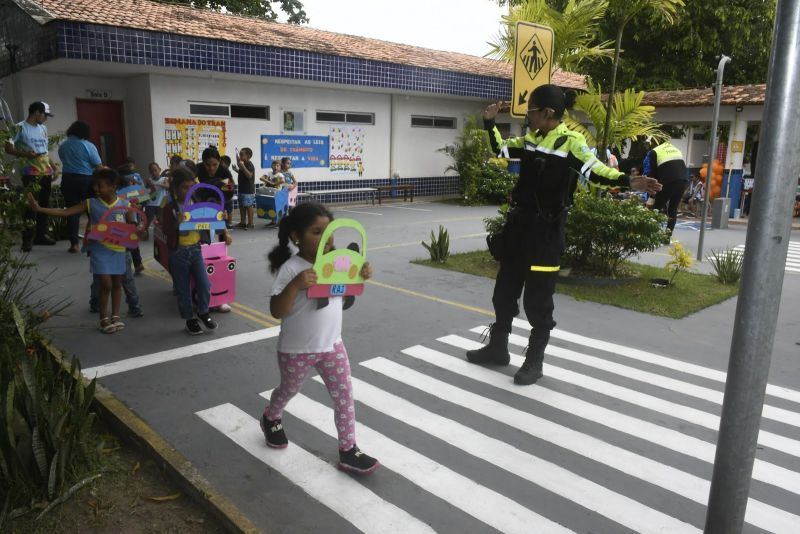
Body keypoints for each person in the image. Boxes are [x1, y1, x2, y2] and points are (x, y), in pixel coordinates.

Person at [469, 85, 661, 385]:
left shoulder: (572, 143)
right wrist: (490, 123)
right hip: (519, 230)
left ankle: (534, 361)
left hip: (546, 234)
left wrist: (628, 180)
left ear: (547, 113)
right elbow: (501, 149)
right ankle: (498, 348)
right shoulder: (532, 139)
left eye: (530, 111)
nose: (527, 116)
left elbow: (596, 171)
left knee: (538, 301)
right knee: (503, 292)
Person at [262, 202, 379, 475]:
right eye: (317, 232)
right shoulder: (292, 269)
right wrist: (296, 285)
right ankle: (271, 416)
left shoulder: (338, 262)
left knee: (344, 396)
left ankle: (348, 449)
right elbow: (276, 310)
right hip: (296, 350)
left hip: (332, 346)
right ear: (296, 237)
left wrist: (360, 274)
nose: (327, 239)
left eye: (329, 233)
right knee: (289, 389)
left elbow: (346, 297)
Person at [28, 168, 143, 333]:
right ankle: (104, 318)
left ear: (113, 186)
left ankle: (115, 316)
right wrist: (40, 209)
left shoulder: (125, 205)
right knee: (106, 284)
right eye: (95, 185)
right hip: (99, 249)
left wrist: (137, 229)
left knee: (117, 283)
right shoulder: (90, 203)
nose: (96, 188)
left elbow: (132, 226)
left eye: (100, 185)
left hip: (118, 250)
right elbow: (66, 212)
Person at [160, 166, 232, 334]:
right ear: (175, 188)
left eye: (191, 186)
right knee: (182, 288)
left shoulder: (197, 204)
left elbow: (211, 224)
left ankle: (203, 312)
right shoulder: (169, 206)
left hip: (196, 250)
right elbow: (165, 230)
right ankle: (189, 319)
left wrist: (223, 225)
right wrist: (175, 224)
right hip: (178, 252)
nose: (188, 190)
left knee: (205, 283)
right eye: (185, 187)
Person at [4, 101, 57, 251]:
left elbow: (45, 151)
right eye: (45, 115)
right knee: (30, 206)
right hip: (29, 172)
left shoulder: (43, 128)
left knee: (44, 205)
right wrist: (25, 154)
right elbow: (8, 148)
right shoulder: (19, 127)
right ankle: (27, 239)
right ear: (37, 113)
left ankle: (41, 235)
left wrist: (54, 168)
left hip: (45, 172)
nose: (46, 118)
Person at [58, 120, 103, 253]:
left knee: (72, 211)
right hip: (86, 180)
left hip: (67, 179)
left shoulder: (63, 146)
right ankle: (96, 239)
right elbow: (98, 166)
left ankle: (74, 244)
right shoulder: (88, 145)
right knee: (93, 210)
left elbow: (63, 160)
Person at [646, 140, 689, 242]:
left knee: (656, 208)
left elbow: (654, 173)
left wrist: (651, 190)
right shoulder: (675, 149)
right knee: (672, 209)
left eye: (648, 144)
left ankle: (650, 235)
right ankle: (666, 237)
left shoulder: (654, 152)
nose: (647, 146)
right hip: (683, 181)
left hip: (668, 182)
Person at [197, 147, 234, 229]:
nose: (211, 168)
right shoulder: (198, 168)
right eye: (207, 165)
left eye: (215, 165)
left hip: (219, 199)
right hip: (203, 199)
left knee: (218, 228)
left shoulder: (224, 171)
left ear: (219, 162)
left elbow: (230, 190)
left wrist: (223, 206)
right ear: (203, 162)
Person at [233, 147, 256, 229]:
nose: (240, 156)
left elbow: (249, 175)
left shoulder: (249, 164)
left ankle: (251, 223)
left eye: (242, 155)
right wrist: (236, 169)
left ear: (248, 156)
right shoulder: (243, 164)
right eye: (240, 154)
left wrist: (242, 166)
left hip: (248, 190)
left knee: (249, 206)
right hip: (242, 188)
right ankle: (242, 222)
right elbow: (242, 172)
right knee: (242, 206)